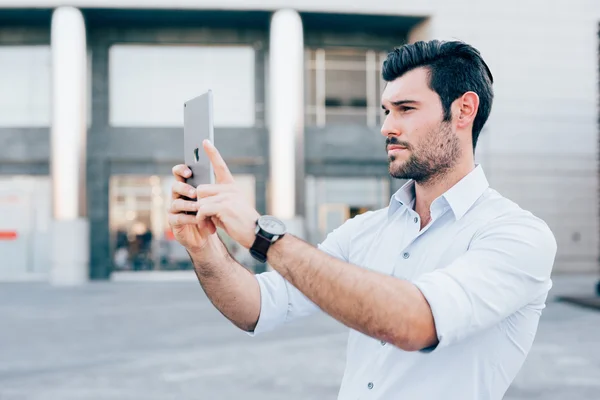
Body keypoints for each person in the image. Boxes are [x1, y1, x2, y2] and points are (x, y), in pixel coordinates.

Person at [168, 40, 557, 400]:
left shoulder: (518, 236)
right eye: (386, 111)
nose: (387, 126)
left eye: (406, 109)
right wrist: (204, 249)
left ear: (463, 110)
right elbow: (255, 308)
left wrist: (262, 236)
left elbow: (415, 322)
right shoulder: (364, 231)